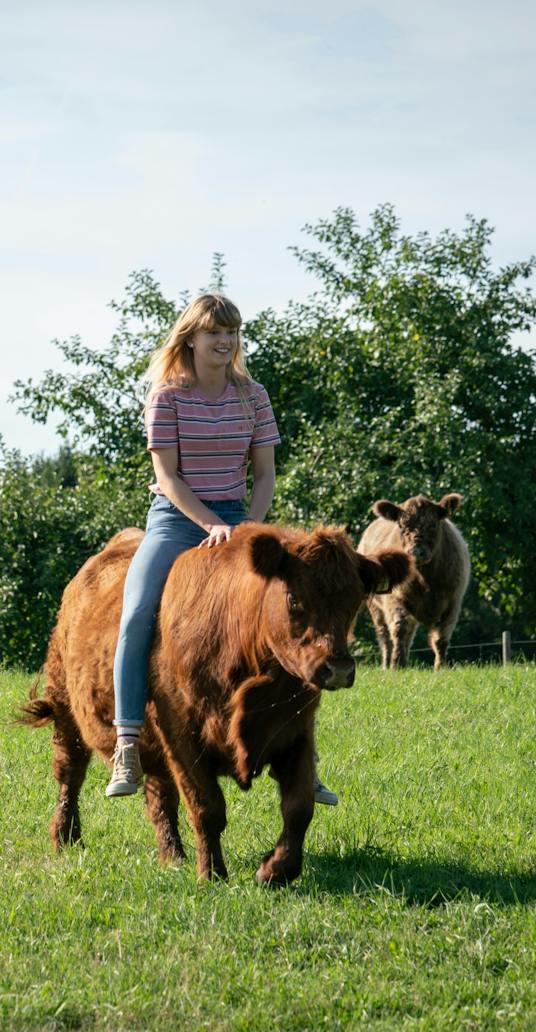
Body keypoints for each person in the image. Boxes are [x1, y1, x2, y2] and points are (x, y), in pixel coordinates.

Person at [105, 293, 338, 807]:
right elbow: (166, 476)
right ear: (190, 337)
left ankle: (305, 762)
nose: (225, 340)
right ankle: (126, 742)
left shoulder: (253, 395)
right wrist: (209, 524)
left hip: (239, 519)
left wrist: (249, 528)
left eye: (231, 331)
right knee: (137, 612)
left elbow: (264, 474)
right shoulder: (165, 396)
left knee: (285, 616)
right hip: (175, 520)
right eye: (214, 332)